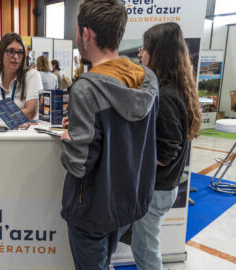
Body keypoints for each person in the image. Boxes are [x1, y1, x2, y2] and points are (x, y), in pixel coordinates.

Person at [59, 1, 159, 269]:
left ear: (87, 34)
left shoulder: (85, 90)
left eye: (78, 32)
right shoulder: (146, 78)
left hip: (92, 208)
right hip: (126, 199)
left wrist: (68, 137)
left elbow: (79, 164)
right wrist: (83, 124)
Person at [131, 22, 202, 270]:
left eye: (144, 48)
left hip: (157, 189)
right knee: (145, 247)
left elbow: (166, 150)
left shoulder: (168, 95)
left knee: (146, 252)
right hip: (161, 188)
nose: (140, 54)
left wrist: (134, 159)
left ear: (157, 53)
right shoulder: (173, 89)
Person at [0, 33, 43, 121]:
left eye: (20, 52)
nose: (16, 57)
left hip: (24, 134)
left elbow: (31, 113)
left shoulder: (31, 75)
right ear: (1, 54)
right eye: (11, 51)